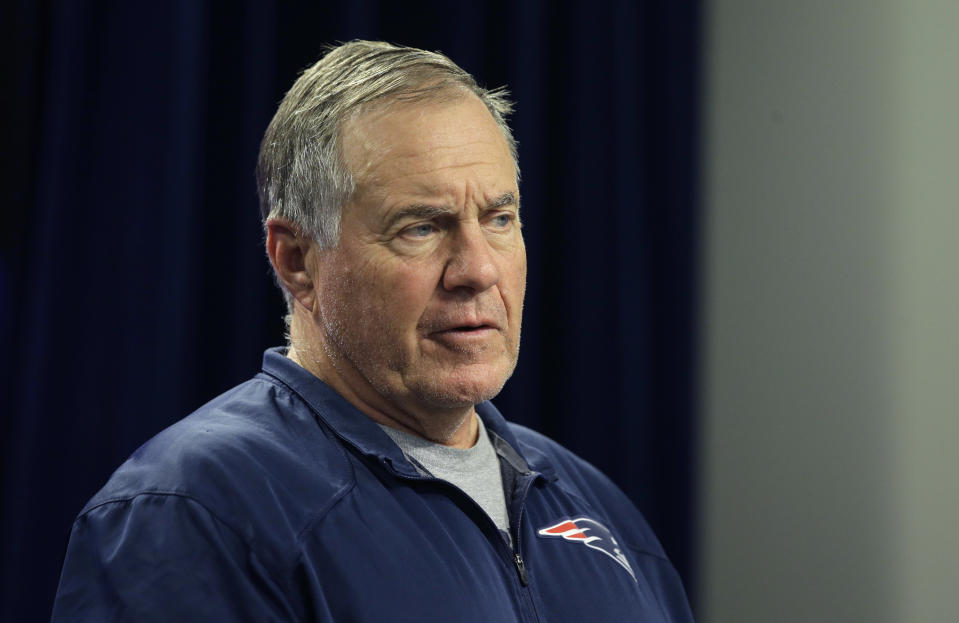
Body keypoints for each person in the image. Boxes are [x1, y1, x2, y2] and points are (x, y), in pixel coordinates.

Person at [52, 40, 694, 622]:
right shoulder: (191, 512)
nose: (476, 270)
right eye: (421, 227)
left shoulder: (592, 502)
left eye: (499, 218)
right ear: (297, 261)